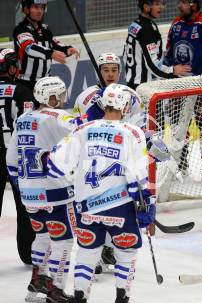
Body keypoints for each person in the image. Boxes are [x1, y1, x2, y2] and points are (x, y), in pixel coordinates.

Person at [45, 83, 156, 303]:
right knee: (126, 255)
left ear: (104, 104)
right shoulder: (133, 132)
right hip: (120, 209)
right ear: (124, 107)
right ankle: (122, 298)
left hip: (86, 209)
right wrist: (146, 205)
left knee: (86, 256)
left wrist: (75, 186)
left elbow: (55, 165)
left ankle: (79, 298)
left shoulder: (82, 129)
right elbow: (137, 177)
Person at [6, 76, 80, 302]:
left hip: (29, 193)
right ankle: (56, 290)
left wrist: (23, 185)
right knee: (64, 241)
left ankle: (35, 285)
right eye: (60, 94)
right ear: (53, 97)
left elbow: (11, 159)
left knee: (42, 236)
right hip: (55, 191)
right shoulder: (60, 117)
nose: (63, 98)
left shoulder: (23, 118)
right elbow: (83, 134)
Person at [164, 0, 202, 177]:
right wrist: (170, 70)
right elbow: (168, 51)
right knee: (178, 127)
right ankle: (181, 164)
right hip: (180, 84)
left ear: (194, 5)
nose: (179, 5)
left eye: (183, 2)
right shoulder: (176, 23)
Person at [0, 48, 35, 265]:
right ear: (13, 67)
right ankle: (29, 253)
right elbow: (29, 126)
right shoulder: (22, 91)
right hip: (16, 155)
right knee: (24, 207)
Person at [123, 0, 191, 90]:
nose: (161, 7)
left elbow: (125, 56)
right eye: (157, 4)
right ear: (146, 7)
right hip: (142, 88)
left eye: (162, 3)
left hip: (132, 82)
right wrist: (172, 71)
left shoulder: (135, 24)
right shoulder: (146, 29)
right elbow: (153, 65)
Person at [13, 0, 80, 91]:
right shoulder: (20, 29)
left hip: (45, 82)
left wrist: (67, 49)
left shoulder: (45, 29)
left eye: (42, 8)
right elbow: (29, 47)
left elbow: (55, 45)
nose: (40, 11)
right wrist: (51, 53)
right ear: (26, 9)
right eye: (36, 7)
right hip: (25, 83)